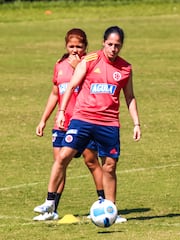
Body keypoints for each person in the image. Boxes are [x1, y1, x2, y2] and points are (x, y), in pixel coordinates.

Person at [34, 26, 141, 223]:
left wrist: (136, 123)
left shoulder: (126, 68)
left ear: (122, 46)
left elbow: (130, 96)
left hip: (109, 123)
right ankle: (50, 202)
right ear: (103, 43)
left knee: (109, 166)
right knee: (63, 156)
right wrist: (61, 112)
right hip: (82, 118)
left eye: (117, 45)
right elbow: (71, 86)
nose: (113, 49)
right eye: (110, 44)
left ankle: (111, 207)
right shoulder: (90, 59)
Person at [33, 28, 105, 221]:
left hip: (83, 121)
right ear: (66, 45)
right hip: (62, 123)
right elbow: (55, 93)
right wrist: (43, 119)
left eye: (79, 46)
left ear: (85, 47)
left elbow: (92, 87)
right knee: (60, 164)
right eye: (71, 46)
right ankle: (52, 209)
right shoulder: (59, 64)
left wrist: (77, 67)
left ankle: (104, 202)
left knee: (91, 162)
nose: (75, 50)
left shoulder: (89, 63)